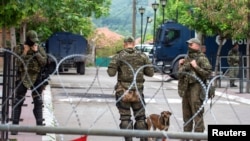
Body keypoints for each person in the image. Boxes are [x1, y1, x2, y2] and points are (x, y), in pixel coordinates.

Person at [107, 36, 154, 141]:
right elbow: (150, 73)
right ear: (133, 44)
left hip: (123, 91)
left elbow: (111, 73)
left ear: (124, 44)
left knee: (125, 118)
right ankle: (143, 138)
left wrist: (115, 66)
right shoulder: (142, 56)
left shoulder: (119, 56)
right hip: (137, 91)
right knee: (140, 118)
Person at [11, 30, 47, 135]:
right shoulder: (19, 48)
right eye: (32, 41)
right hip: (23, 77)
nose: (33, 43)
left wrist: (36, 52)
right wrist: (24, 52)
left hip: (36, 78)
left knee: (38, 102)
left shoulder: (39, 48)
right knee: (18, 101)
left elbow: (43, 62)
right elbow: (17, 63)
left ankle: (40, 128)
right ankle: (14, 127)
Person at [178, 38, 212, 141]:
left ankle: (197, 138)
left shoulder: (202, 58)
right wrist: (180, 65)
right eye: (188, 44)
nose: (189, 46)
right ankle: (185, 138)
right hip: (186, 89)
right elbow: (180, 74)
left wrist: (196, 66)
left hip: (196, 89)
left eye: (191, 44)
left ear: (197, 45)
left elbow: (208, 73)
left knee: (197, 115)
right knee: (186, 116)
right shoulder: (187, 57)